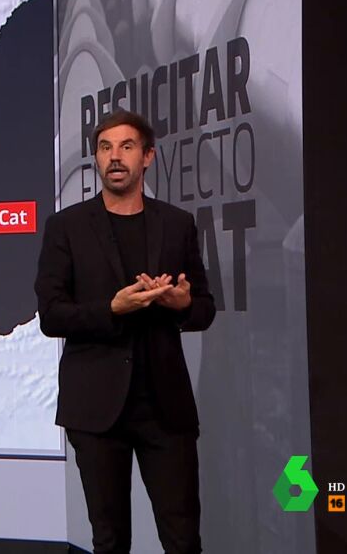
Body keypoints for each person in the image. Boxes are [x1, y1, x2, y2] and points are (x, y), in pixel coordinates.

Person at [35, 109, 216, 554]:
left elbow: (204, 309)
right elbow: (52, 316)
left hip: (165, 407)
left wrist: (182, 305)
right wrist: (111, 309)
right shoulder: (66, 227)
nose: (115, 157)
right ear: (97, 158)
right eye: (105, 148)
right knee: (110, 540)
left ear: (147, 157)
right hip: (95, 409)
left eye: (127, 147)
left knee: (183, 539)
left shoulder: (177, 224)